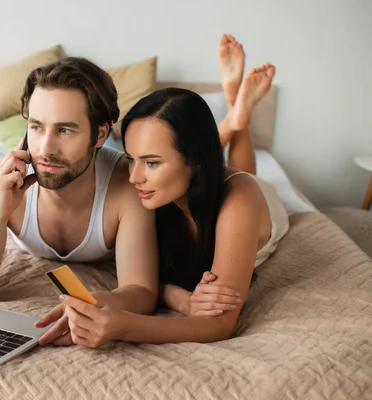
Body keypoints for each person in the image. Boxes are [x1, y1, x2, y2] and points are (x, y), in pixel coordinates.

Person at [58, 35, 290, 347]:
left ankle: (237, 117)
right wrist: (181, 299)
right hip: (195, 174)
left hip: (260, 207)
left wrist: (123, 326)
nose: (134, 178)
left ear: (194, 162)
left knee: (244, 177)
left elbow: (218, 326)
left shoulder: (239, 202)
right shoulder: (150, 193)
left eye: (151, 163)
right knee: (194, 166)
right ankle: (233, 116)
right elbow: (146, 277)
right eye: (131, 159)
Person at [0, 57, 159, 346]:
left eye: (65, 130)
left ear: (100, 134)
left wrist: (100, 302)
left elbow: (141, 290)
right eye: (37, 127)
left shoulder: (127, 185)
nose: (46, 149)